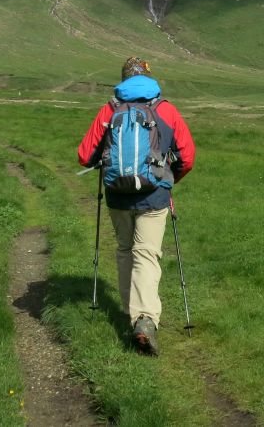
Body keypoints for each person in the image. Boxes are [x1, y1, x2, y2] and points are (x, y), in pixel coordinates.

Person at [77, 57, 196, 355]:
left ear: (124, 79)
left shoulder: (110, 109)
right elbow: (187, 156)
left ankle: (131, 312)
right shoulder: (165, 109)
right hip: (154, 195)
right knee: (147, 253)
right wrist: (169, 180)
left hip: (117, 195)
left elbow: (84, 155)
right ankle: (144, 319)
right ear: (147, 77)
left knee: (124, 250)